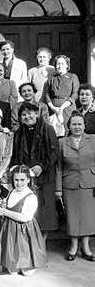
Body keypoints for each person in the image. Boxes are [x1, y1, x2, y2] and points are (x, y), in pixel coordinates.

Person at [11, 102, 59, 241]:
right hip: (27, 179)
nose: (27, 117)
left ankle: (41, 244)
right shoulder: (19, 133)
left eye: (30, 113)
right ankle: (30, 244)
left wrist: (42, 166)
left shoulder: (47, 129)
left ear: (36, 114)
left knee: (45, 212)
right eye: (24, 114)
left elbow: (54, 153)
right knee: (29, 210)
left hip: (45, 176)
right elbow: (15, 156)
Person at [56, 111, 95, 262]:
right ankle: (73, 247)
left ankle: (86, 248)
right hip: (69, 184)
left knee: (87, 217)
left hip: (89, 183)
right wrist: (58, 189)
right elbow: (58, 167)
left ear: (84, 125)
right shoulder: (62, 142)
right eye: (74, 124)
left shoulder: (93, 140)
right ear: (69, 126)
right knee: (72, 217)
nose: (77, 127)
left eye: (80, 124)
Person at [0, 165, 46, 275]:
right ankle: (13, 262)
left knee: (26, 272)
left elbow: (24, 217)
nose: (19, 183)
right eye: (16, 180)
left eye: (22, 180)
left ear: (28, 180)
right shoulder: (12, 192)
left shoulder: (30, 196)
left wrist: (5, 212)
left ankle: (27, 263)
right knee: (12, 271)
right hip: (11, 230)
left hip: (24, 232)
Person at [43, 55, 80, 134]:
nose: (60, 66)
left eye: (62, 64)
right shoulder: (52, 78)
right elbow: (47, 94)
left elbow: (75, 94)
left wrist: (62, 108)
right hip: (54, 109)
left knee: (68, 130)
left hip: (68, 109)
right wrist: (53, 108)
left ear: (67, 65)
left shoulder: (72, 77)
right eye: (58, 64)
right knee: (54, 132)